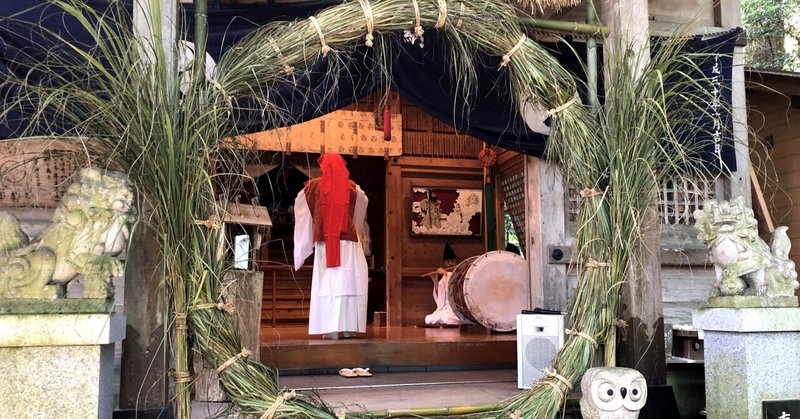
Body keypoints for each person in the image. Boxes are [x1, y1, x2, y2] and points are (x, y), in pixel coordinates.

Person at [293, 153, 369, 339]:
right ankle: (350, 328)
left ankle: (331, 329)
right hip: (349, 244)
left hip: (326, 243)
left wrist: (302, 246)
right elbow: (363, 205)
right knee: (350, 283)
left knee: (329, 285)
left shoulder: (312, 187)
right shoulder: (353, 188)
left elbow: (300, 208)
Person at [424, 243, 461, 326]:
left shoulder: (460, 274)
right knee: (428, 318)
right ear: (444, 264)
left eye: (453, 261)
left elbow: (454, 281)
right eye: (448, 261)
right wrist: (435, 281)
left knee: (447, 318)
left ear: (457, 262)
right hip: (445, 309)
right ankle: (441, 319)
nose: (451, 263)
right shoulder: (445, 277)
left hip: (456, 309)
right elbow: (440, 298)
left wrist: (444, 272)